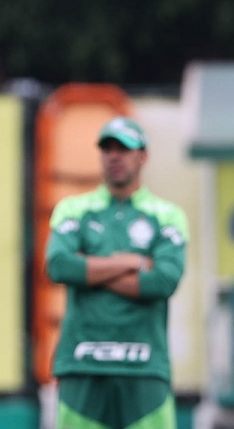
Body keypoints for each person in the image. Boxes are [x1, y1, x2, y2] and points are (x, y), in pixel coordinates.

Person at [45, 116, 188, 429]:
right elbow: (59, 266)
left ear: (143, 156)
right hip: (82, 363)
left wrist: (90, 270)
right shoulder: (73, 209)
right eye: (107, 148)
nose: (114, 156)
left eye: (124, 148)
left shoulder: (167, 215)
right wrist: (132, 263)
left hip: (145, 366)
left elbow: (163, 281)